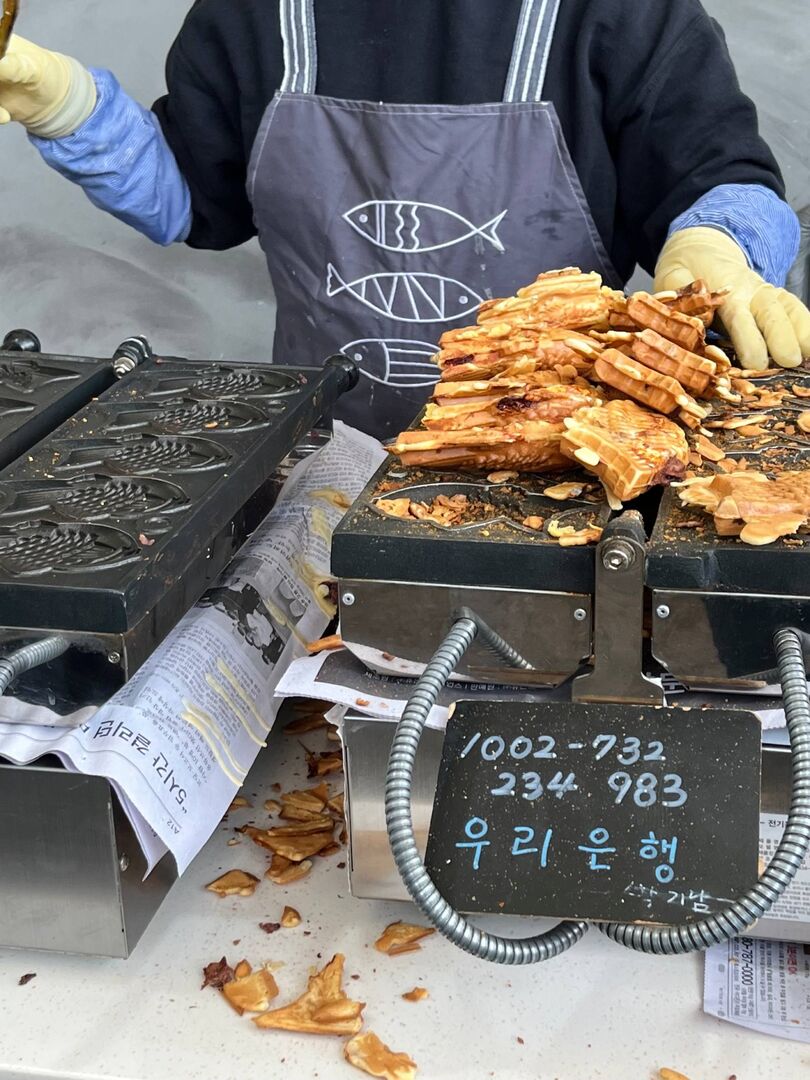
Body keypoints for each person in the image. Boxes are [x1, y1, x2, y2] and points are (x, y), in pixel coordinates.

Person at [2, 0, 809, 439]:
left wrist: (718, 250)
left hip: (556, 461)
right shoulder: (253, 17)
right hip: (320, 455)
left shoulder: (622, 17)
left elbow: (721, 177)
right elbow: (189, 195)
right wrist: (70, 108)